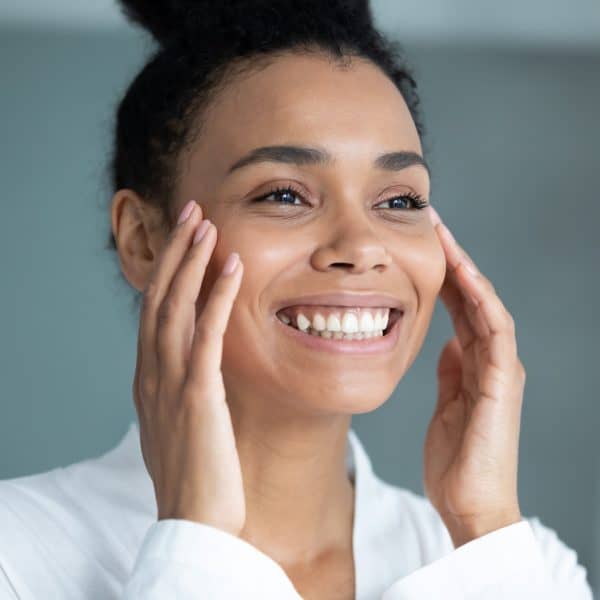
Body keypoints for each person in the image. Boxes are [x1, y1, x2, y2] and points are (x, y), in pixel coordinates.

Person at [0, 1, 594, 598]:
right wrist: (195, 539)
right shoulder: (18, 556)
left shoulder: (522, 564)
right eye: (285, 195)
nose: (361, 247)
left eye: (399, 201)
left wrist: (482, 529)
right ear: (144, 241)